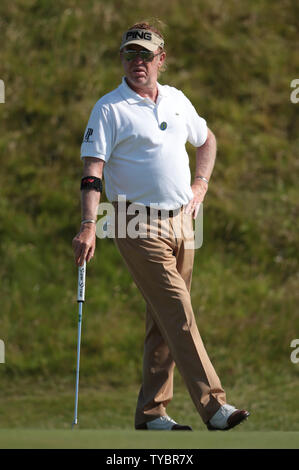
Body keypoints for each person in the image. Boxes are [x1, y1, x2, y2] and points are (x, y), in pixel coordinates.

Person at [72, 21, 250, 431]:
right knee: (179, 311)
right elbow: (92, 171)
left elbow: (207, 140)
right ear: (123, 59)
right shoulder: (109, 108)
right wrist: (87, 224)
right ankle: (215, 406)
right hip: (134, 224)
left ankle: (152, 413)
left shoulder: (175, 100)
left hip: (183, 223)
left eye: (145, 55)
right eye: (130, 54)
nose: (138, 62)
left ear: (161, 61)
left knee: (162, 320)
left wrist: (200, 185)